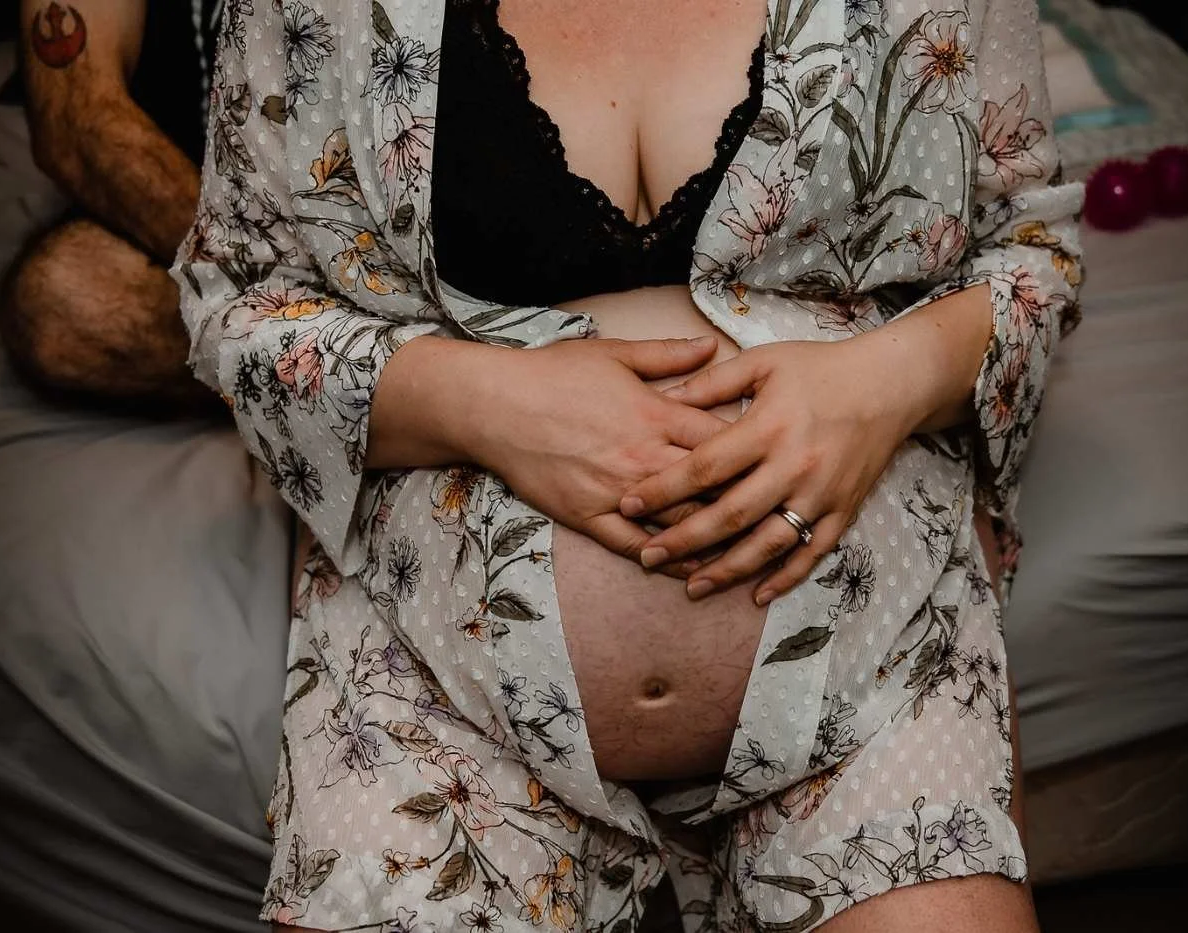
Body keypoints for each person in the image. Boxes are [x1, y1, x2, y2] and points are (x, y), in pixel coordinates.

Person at [177, 1, 1083, 930]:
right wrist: (483, 404)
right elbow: (237, 303)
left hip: (873, 657)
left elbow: (1033, 247)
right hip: (439, 678)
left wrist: (882, 385)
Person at [0, 0, 219, 410]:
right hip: (199, 240)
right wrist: (269, 274)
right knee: (63, 301)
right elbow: (78, 118)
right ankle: (342, 378)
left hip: (367, 232)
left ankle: (337, 383)